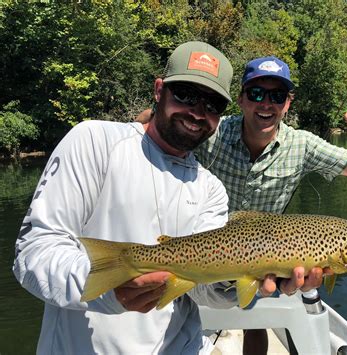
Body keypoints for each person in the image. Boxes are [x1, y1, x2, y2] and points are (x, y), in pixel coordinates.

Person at [13, 42, 324, 355]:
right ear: (159, 89)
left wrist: (247, 276)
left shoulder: (210, 189)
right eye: (186, 94)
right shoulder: (95, 142)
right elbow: (35, 254)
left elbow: (204, 292)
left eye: (212, 104)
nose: (197, 112)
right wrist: (110, 289)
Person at [137, 56, 347, 354]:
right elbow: (161, 124)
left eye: (277, 96)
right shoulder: (213, 129)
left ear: (287, 104)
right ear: (240, 99)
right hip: (203, 246)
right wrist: (146, 120)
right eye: (256, 94)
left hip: (266, 255)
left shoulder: (301, 144)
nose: (266, 103)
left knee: (257, 321)